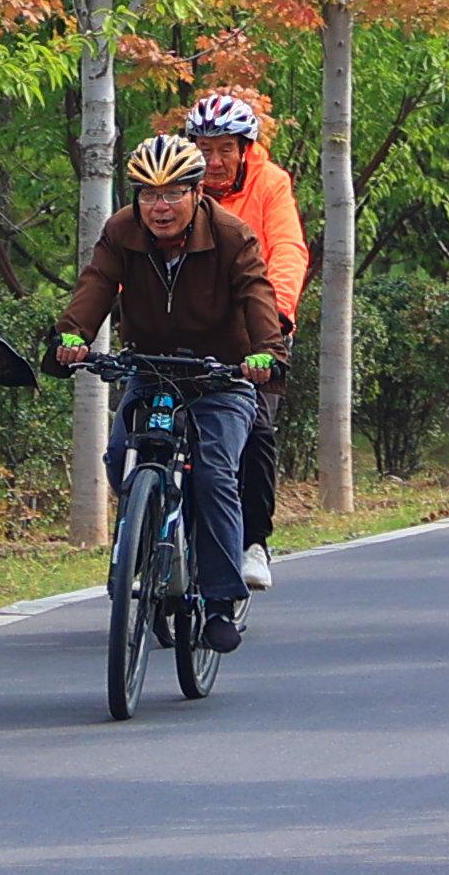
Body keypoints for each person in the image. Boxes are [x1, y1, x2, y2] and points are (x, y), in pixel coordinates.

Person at [53, 134, 286, 652]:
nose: (160, 207)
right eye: (148, 194)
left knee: (213, 473)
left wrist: (266, 352)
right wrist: (73, 335)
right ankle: (147, 540)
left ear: (197, 192)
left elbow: (256, 292)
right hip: (152, 369)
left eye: (172, 194)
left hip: (221, 375)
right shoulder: (121, 230)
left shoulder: (231, 234)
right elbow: (96, 284)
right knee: (119, 457)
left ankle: (222, 600)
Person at [184, 90, 310, 591]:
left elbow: (287, 249)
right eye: (205, 150)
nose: (214, 162)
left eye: (225, 150)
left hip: (253, 325)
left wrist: (276, 315)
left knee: (255, 427)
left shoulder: (270, 183)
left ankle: (253, 541)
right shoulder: (173, 184)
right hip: (184, 322)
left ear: (245, 149)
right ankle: (145, 531)